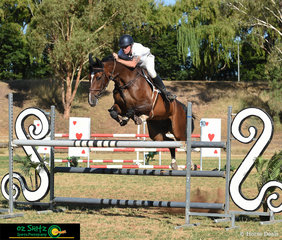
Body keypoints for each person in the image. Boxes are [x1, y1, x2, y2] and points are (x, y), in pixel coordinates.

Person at [113, 34, 176, 101]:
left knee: (151, 72)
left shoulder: (138, 49)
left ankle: (166, 92)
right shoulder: (121, 52)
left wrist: (119, 60)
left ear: (131, 45)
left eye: (125, 47)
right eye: (122, 47)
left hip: (146, 60)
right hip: (136, 63)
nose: (123, 49)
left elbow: (133, 64)